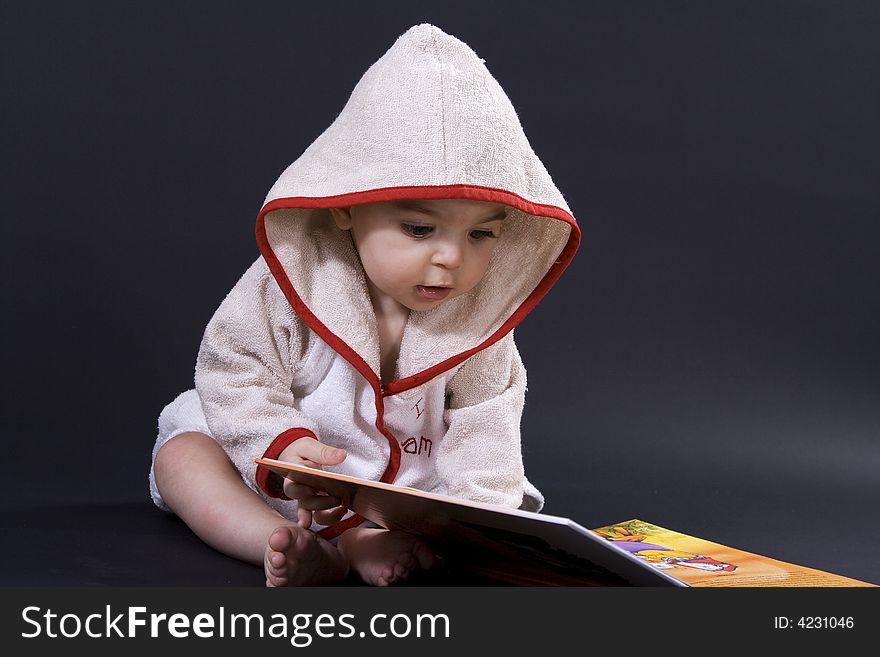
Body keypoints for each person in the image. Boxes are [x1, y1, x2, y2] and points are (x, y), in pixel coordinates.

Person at [149, 24, 580, 586]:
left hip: (401, 491)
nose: (451, 257)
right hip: (288, 473)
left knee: (471, 509)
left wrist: (483, 522)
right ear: (346, 207)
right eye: (420, 228)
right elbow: (236, 367)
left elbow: (486, 426)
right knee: (182, 458)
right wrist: (282, 446)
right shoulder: (296, 282)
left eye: (481, 235)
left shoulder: (480, 324)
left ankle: (368, 540)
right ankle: (289, 546)